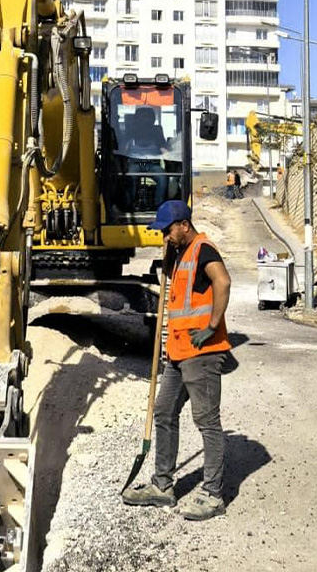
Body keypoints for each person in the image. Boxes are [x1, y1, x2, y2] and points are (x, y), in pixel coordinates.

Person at [122, 200, 232, 521]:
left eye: (168, 230)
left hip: (203, 353)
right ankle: (163, 486)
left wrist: (211, 326)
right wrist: (168, 251)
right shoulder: (180, 252)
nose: (165, 236)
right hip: (179, 353)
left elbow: (222, 282)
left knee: (207, 422)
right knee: (164, 411)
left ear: (184, 225)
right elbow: (172, 290)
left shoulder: (203, 249)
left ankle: (213, 494)